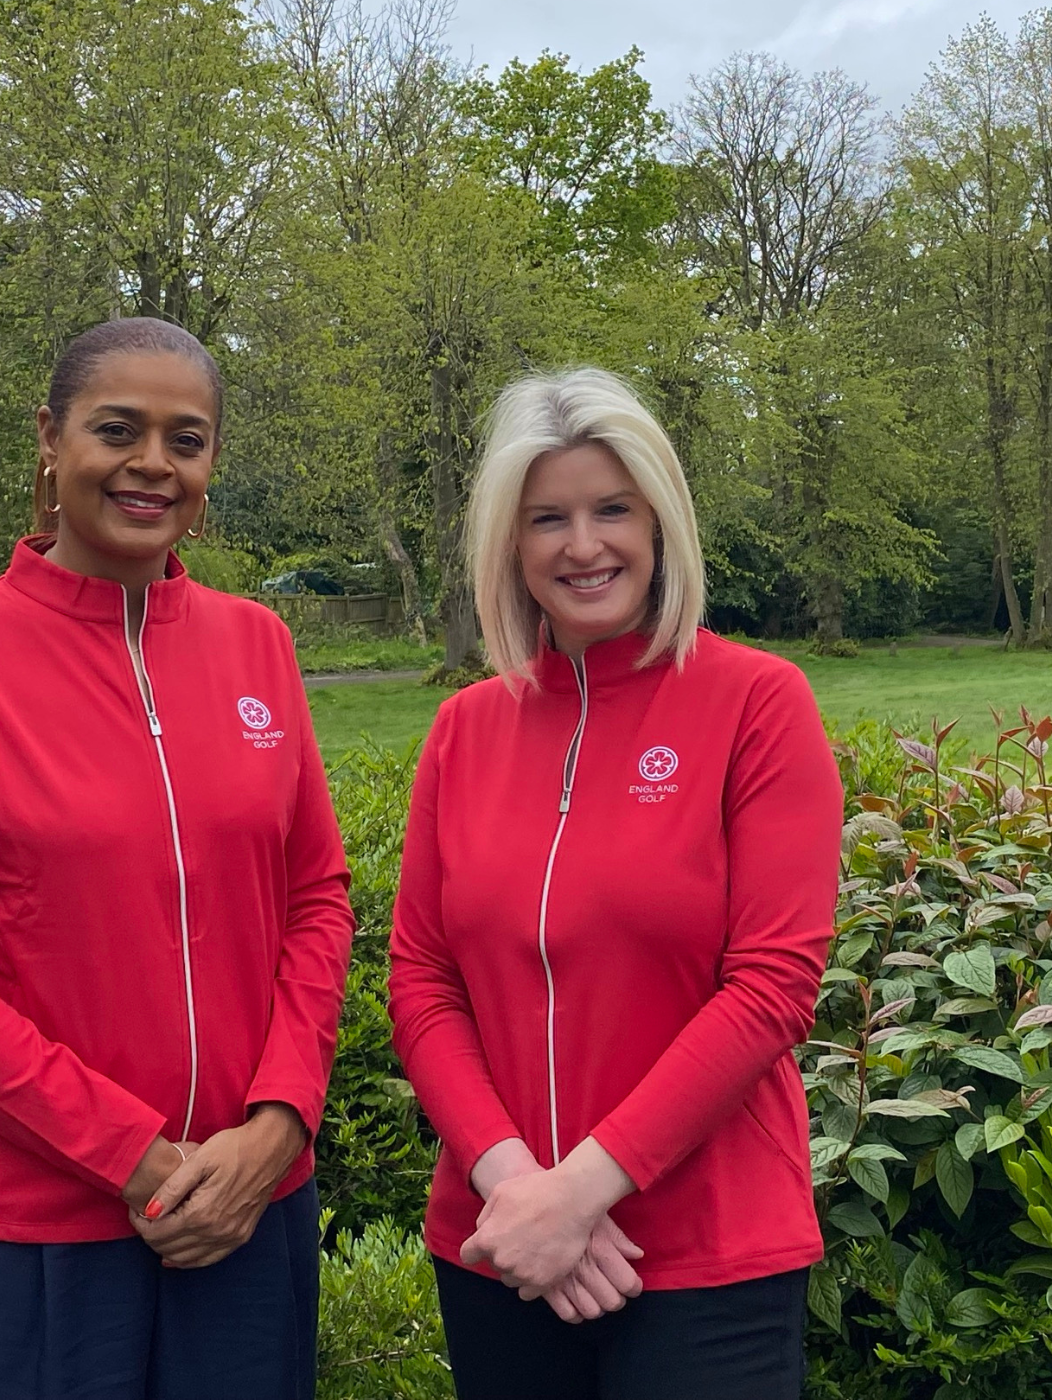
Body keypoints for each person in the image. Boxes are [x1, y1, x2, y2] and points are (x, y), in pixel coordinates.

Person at [0, 318, 354, 1399]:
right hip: (16, 1237)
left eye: (187, 439)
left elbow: (316, 896)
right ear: (49, 437)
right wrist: (135, 1154)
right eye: (117, 429)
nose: (152, 466)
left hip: (244, 1212)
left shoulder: (256, 642)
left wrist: (279, 1121)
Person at [388, 368, 844, 1400]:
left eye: (612, 509)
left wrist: (585, 1191)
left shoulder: (757, 704)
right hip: (498, 1246)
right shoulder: (464, 731)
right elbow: (422, 981)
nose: (582, 544)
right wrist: (520, 1190)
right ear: (509, 540)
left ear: (661, 519)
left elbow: (771, 986)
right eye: (548, 516)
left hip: (706, 1253)